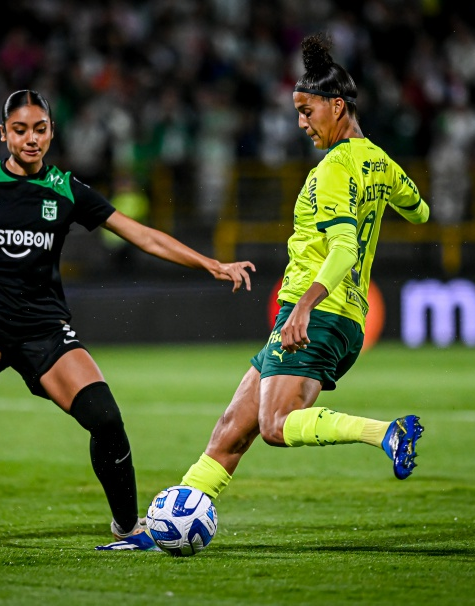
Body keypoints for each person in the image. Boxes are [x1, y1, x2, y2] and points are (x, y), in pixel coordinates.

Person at [103, 33, 428, 551]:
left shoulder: (334, 170)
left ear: (336, 106)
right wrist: (385, 191)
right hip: (341, 317)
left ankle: (385, 433)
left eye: (306, 110)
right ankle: (166, 526)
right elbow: (420, 209)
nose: (301, 122)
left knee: (275, 424)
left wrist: (302, 306)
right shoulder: (378, 162)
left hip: (317, 315)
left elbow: (343, 248)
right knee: (234, 428)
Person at [0, 89, 255, 549]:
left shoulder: (66, 189)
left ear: (52, 132)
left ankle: (127, 526)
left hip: (44, 326)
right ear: (3, 134)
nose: (31, 139)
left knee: (105, 417)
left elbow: (141, 235)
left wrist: (211, 265)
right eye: (20, 130)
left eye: (40, 129)